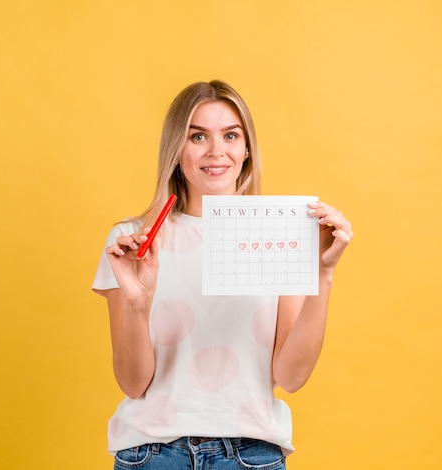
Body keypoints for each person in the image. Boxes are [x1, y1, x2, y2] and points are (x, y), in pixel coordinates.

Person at [92, 80, 353, 470]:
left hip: (251, 455)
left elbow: (291, 376)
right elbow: (132, 383)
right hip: (153, 454)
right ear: (177, 149)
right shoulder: (134, 243)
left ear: (246, 149)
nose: (216, 151)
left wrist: (322, 274)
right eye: (198, 136)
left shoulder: (280, 233)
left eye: (230, 135)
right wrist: (136, 304)